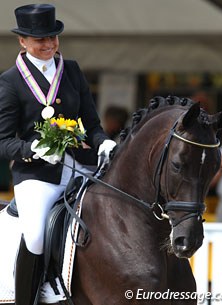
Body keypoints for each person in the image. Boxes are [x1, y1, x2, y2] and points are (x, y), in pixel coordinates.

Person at [0, 4, 116, 305]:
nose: (49, 44)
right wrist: (32, 149)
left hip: (80, 167)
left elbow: (91, 123)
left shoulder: (72, 70)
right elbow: (2, 141)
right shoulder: (10, 82)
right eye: (41, 40)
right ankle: (31, 295)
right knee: (36, 233)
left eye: (53, 37)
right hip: (38, 174)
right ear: (23, 41)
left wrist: (103, 141)